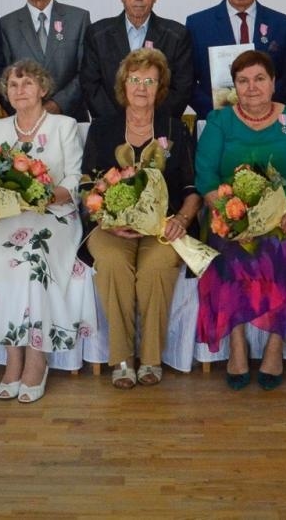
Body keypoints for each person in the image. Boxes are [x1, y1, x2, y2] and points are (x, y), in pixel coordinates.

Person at [195, 50, 286, 390]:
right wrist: (232, 214)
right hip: (230, 215)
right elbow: (205, 177)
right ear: (234, 87)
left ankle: (276, 346)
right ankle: (237, 344)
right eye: (243, 81)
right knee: (228, 253)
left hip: (285, 213)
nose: (251, 88)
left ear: (273, 82)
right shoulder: (219, 121)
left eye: (259, 79)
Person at [0, 60, 94, 404]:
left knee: (33, 258)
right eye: (13, 85)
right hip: (7, 216)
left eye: (27, 84)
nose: (20, 91)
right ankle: (12, 355)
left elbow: (75, 180)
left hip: (54, 214)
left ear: (43, 89)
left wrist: (49, 196)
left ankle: (36, 358)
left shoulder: (64, 125)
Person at [80, 48, 199, 388]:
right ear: (123, 84)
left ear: (160, 86)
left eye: (150, 80)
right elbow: (87, 186)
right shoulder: (102, 129)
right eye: (135, 79)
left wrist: (184, 220)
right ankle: (121, 358)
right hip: (109, 226)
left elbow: (192, 188)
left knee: (157, 267)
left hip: (164, 225)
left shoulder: (176, 128)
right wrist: (106, 220)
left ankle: (150, 358)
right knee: (114, 265)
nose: (142, 87)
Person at [186, 0, 286, 118]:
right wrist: (215, 112)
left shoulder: (281, 24)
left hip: (267, 121)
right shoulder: (198, 24)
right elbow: (188, 81)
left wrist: (263, 108)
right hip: (216, 121)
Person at [80, 0, 194, 121]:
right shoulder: (97, 34)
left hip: (158, 129)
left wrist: (146, 122)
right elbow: (90, 86)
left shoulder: (177, 35)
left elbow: (181, 89)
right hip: (109, 129)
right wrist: (120, 123)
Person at [0, 0, 91, 121]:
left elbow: (86, 70)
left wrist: (57, 104)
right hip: (24, 120)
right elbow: (2, 75)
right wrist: (27, 108)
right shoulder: (6, 25)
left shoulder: (78, 19)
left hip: (69, 117)